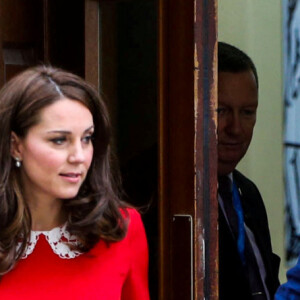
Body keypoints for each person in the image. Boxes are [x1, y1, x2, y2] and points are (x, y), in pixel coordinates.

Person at [0, 65, 149, 299]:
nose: (79, 156)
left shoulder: (121, 228)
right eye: (59, 140)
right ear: (15, 146)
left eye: (87, 138)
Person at [218, 42, 280, 300]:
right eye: (220, 111)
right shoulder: (172, 196)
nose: (236, 128)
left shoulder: (248, 193)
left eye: (246, 112)